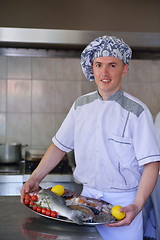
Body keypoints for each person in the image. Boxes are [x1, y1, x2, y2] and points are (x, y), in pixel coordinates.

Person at [20, 36, 160, 240]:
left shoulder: (137, 112)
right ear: (92, 68)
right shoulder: (80, 105)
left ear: (124, 69)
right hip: (84, 201)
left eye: (112, 65)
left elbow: (152, 165)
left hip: (123, 205)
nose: (104, 72)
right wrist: (35, 178)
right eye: (99, 65)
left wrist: (137, 205)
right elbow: (59, 146)